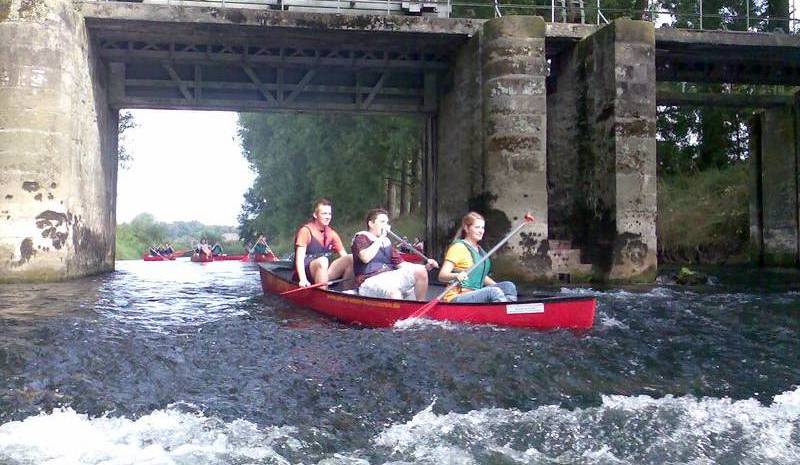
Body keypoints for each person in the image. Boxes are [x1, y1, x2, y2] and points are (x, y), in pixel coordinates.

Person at [352, 208, 438, 300]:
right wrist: (380, 238)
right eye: (382, 222)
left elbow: (401, 264)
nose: (386, 226)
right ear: (371, 224)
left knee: (421, 271)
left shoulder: (386, 242)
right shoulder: (361, 238)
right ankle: (398, 313)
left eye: (387, 222)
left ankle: (419, 308)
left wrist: (425, 267)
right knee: (393, 293)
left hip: (388, 277)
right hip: (368, 281)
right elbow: (365, 257)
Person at [437, 211, 518, 303]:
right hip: (457, 296)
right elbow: (442, 276)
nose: (481, 231)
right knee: (493, 292)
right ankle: (502, 314)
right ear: (467, 228)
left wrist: (499, 287)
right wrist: (456, 275)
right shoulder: (458, 247)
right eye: (477, 227)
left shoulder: (480, 250)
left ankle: (509, 310)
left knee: (508, 286)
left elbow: (481, 276)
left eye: (482, 228)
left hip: (475, 294)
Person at [294, 198, 353, 288]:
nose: (328, 217)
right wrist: (303, 279)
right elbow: (299, 259)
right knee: (323, 261)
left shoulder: (332, 234)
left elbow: (344, 256)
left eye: (329, 214)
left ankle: (348, 291)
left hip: (323, 272)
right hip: (307, 273)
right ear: (315, 215)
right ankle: (324, 294)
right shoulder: (305, 231)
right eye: (324, 213)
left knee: (351, 258)